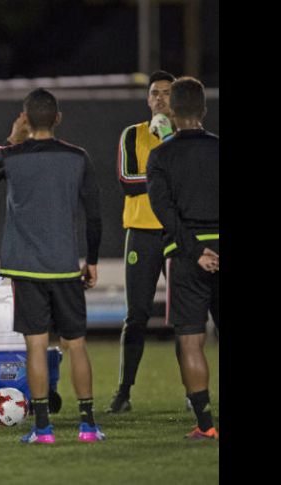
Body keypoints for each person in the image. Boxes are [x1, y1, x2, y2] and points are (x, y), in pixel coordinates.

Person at [0, 88, 105, 444]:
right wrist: (90, 260)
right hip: (65, 266)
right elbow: (94, 216)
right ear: (58, 118)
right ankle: (88, 426)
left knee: (35, 346)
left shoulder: (11, 156)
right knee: (75, 345)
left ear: (26, 119)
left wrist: (10, 140)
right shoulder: (78, 157)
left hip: (27, 270)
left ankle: (44, 429)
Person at [146, 76, 219, 440]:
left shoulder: (160, 155)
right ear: (204, 108)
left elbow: (164, 212)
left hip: (186, 257)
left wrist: (195, 250)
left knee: (190, 340)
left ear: (172, 110)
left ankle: (206, 425)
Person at [107, 71, 176, 413]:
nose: (161, 98)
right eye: (155, 93)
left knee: (185, 318)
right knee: (136, 315)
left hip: (177, 233)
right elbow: (126, 181)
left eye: (167, 93)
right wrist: (168, 171)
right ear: (148, 99)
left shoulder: (184, 138)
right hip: (142, 232)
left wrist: (167, 143)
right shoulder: (132, 135)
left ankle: (195, 395)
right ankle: (123, 393)